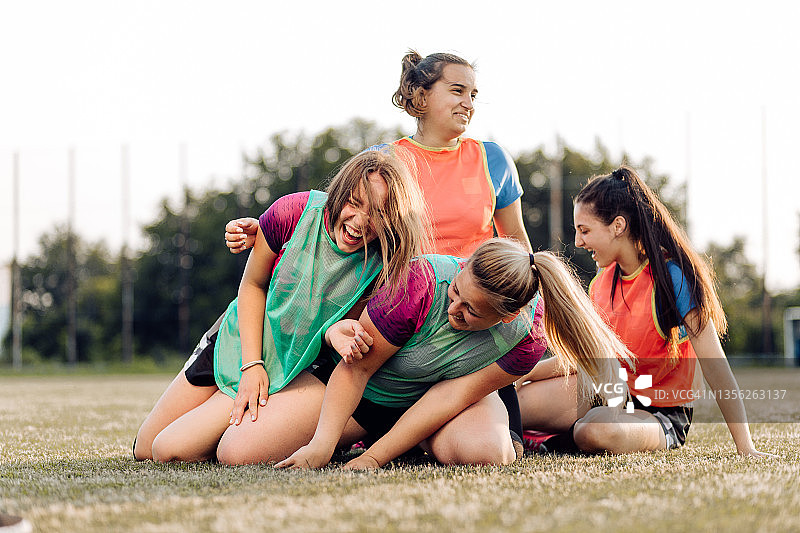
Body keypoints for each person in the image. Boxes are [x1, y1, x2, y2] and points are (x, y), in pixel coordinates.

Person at [225, 50, 533, 443]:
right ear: (420, 96)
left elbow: (517, 243)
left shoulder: (493, 160)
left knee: (501, 448)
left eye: (474, 94)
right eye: (457, 91)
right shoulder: (385, 161)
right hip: (399, 322)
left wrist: (526, 302)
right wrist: (267, 230)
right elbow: (336, 228)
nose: (468, 103)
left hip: (474, 320)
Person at [133, 149, 430, 463]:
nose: (360, 221)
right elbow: (253, 285)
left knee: (168, 450)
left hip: (288, 364)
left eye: (378, 214)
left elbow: (335, 329)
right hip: (240, 338)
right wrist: (251, 365)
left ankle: (223, 425)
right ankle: (219, 416)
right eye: (354, 203)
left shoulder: (386, 263)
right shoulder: (292, 212)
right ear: (340, 193)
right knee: (145, 449)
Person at [274, 238, 631, 469]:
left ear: (505, 316)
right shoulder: (418, 282)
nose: (453, 308)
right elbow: (357, 370)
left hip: (431, 400)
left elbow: (452, 395)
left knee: (490, 454)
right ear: (464, 265)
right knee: (237, 453)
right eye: (457, 291)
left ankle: (416, 439)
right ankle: (388, 436)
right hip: (368, 395)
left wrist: (374, 457)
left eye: (471, 310)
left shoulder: (527, 334)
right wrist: (322, 445)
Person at [517, 166, 773, 457]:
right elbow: (588, 360)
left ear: (618, 226)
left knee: (595, 430)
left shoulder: (672, 277)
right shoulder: (601, 283)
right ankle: (532, 438)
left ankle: (550, 443)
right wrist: (525, 374)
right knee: (516, 403)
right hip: (610, 394)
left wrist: (746, 447)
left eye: (584, 230)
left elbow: (716, 366)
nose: (578, 242)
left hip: (661, 414)